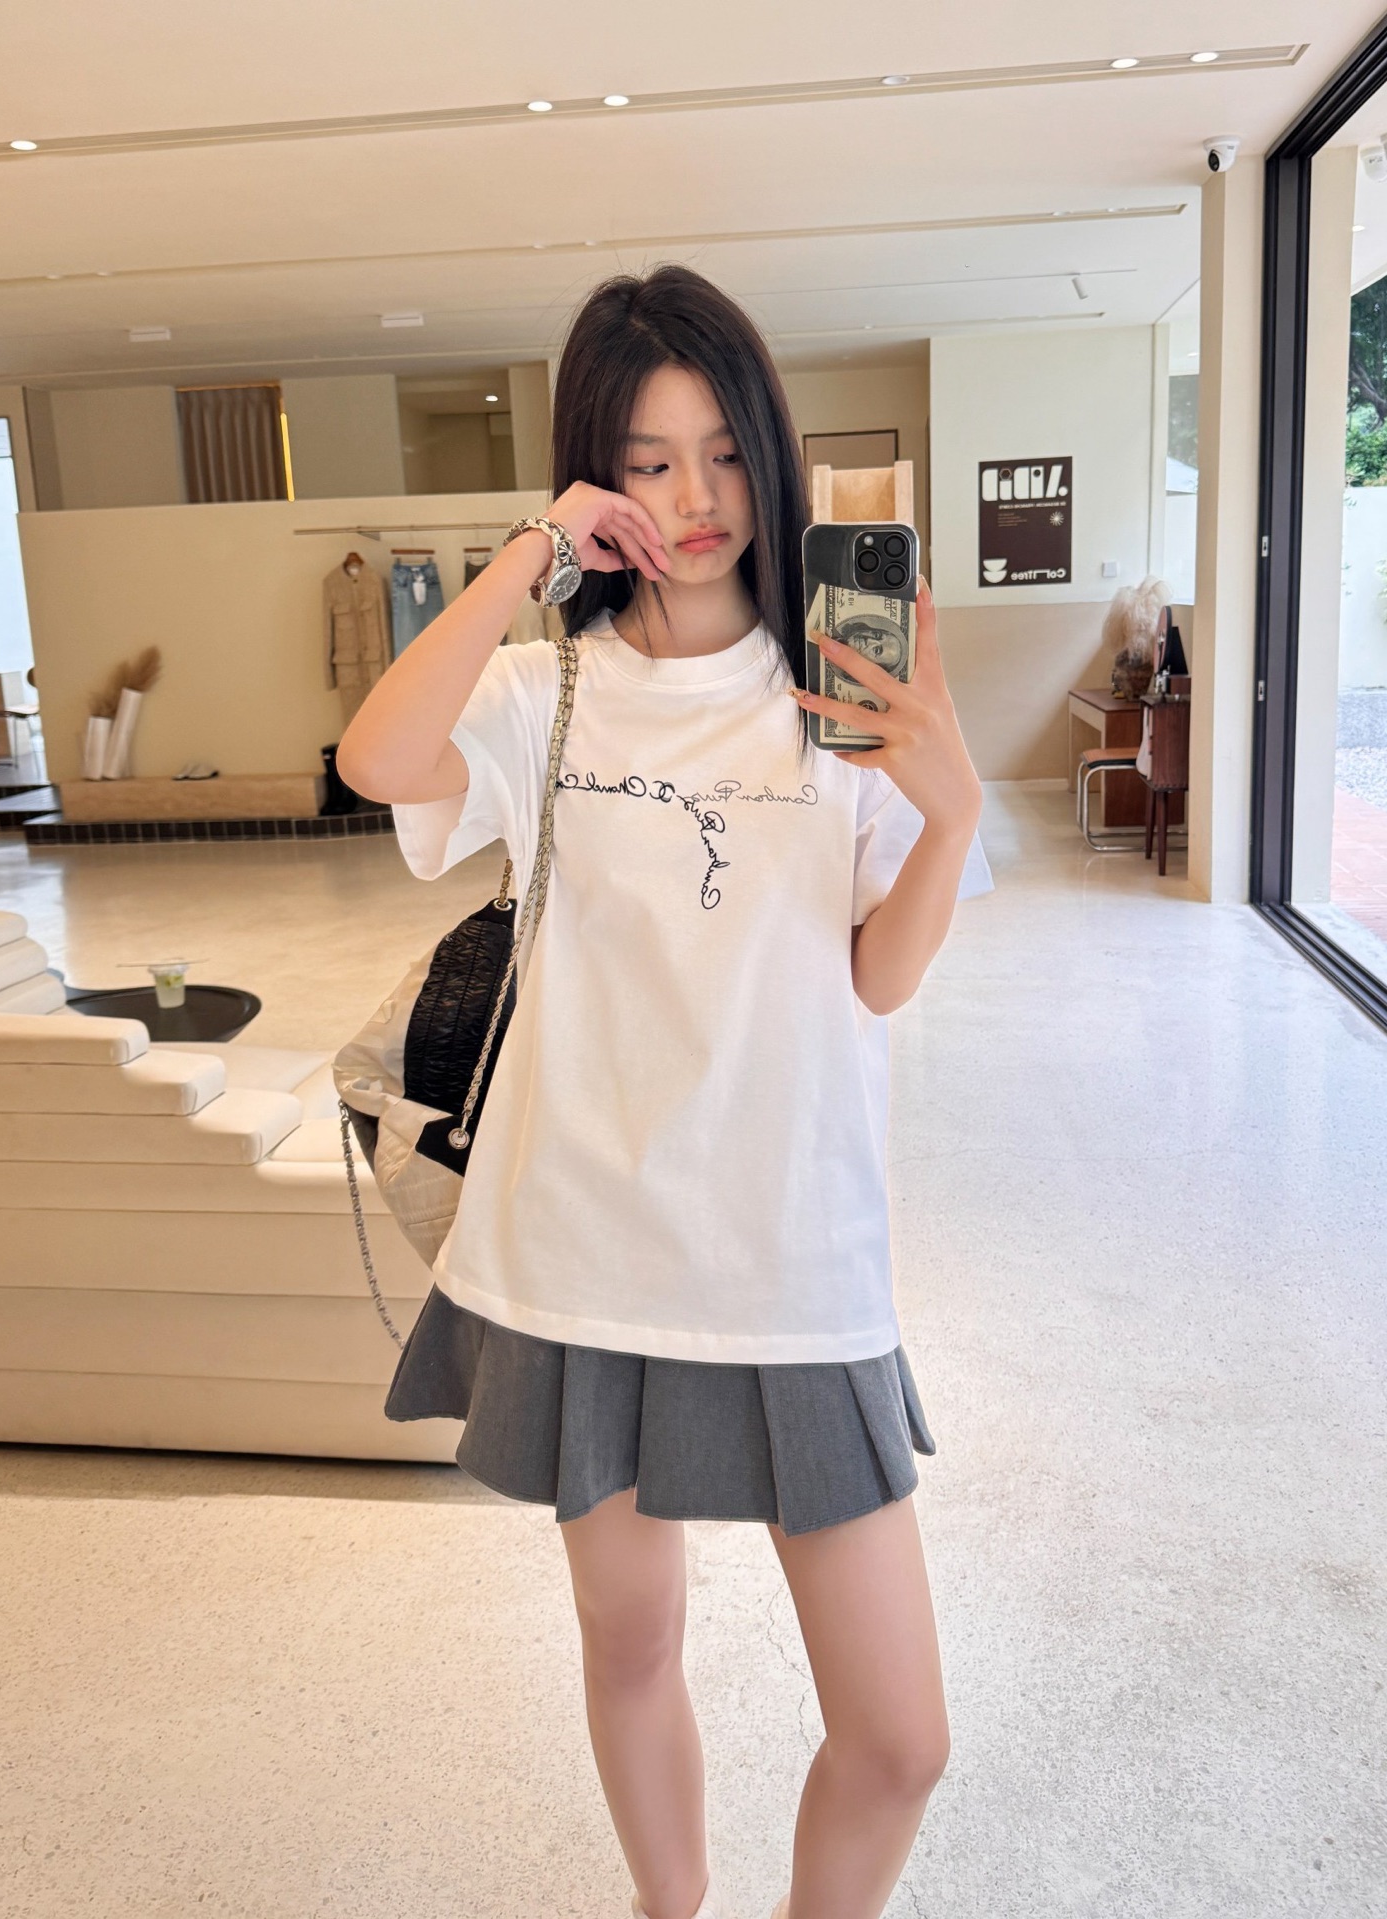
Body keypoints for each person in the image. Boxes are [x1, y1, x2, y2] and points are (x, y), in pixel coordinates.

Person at [336, 264, 987, 1919]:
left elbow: (882, 979)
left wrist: (955, 809)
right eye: (646, 461)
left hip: (793, 1256)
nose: (694, 500)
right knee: (631, 1642)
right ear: (596, 476)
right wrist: (524, 559)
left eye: (723, 453)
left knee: (900, 1738)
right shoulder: (545, 691)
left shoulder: (840, 689)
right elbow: (377, 760)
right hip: (583, 1248)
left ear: (770, 451)